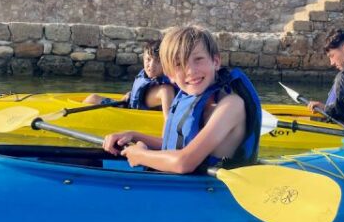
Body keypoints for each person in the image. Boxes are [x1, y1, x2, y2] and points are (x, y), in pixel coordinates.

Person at [102, 25, 261, 174]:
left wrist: (140, 156)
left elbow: (184, 162)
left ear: (216, 62)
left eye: (198, 59)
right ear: (170, 75)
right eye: (179, 64)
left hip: (207, 192)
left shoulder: (231, 106)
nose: (190, 70)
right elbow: (172, 144)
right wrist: (133, 135)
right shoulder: (186, 99)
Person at [83, 40, 176, 119]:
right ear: (143, 58)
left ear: (166, 63)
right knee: (92, 98)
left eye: (158, 61)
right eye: (148, 59)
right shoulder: (151, 79)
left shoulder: (166, 90)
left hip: (135, 115)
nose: (151, 66)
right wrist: (129, 95)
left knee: (91, 99)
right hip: (129, 107)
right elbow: (143, 93)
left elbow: (168, 118)